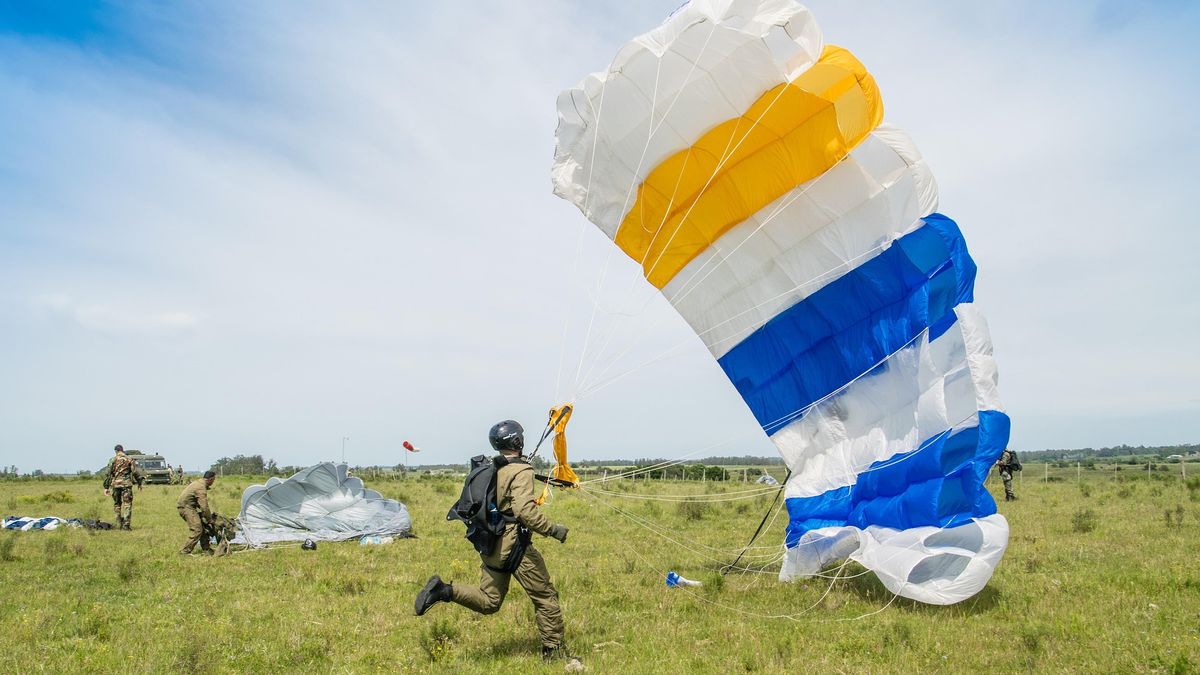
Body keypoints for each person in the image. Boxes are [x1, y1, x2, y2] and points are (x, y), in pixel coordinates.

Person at [415, 420, 575, 663]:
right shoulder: (520, 471)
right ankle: (553, 653)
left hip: (491, 543)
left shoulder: (494, 467)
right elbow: (525, 511)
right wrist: (554, 530)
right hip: (515, 547)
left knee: (489, 601)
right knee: (546, 597)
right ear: (517, 441)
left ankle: (444, 590)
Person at [101, 444, 144, 530]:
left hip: (115, 485)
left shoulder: (112, 460)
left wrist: (106, 487)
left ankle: (118, 524)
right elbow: (135, 472)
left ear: (116, 451)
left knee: (117, 504)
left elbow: (108, 474)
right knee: (127, 504)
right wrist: (139, 483)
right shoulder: (129, 459)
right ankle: (126, 526)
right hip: (126, 485)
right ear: (122, 450)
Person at [178, 470, 217, 555]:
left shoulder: (199, 483)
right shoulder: (201, 488)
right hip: (186, 508)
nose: (213, 482)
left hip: (188, 507)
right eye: (213, 480)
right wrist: (210, 519)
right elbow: (204, 507)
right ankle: (184, 551)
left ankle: (206, 548)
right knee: (197, 529)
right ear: (210, 479)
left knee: (203, 526)